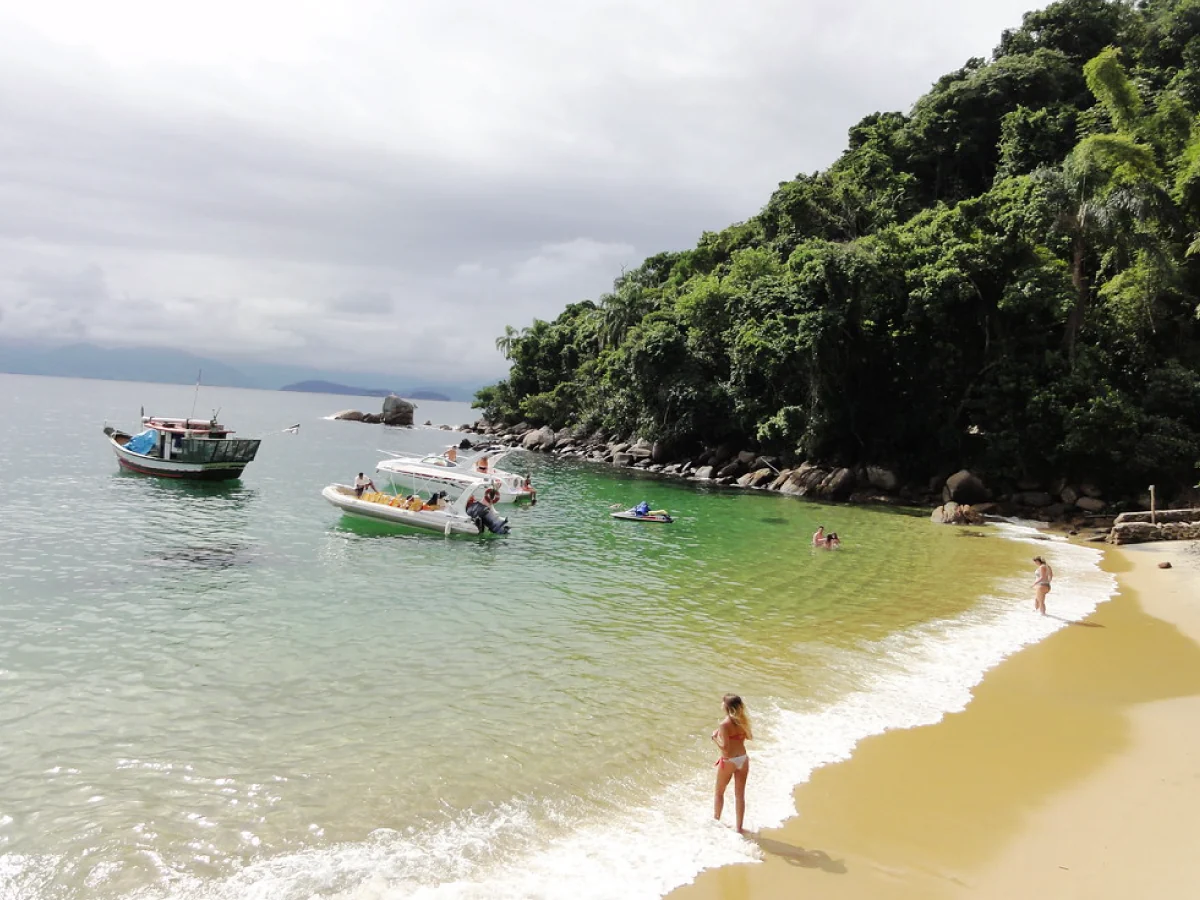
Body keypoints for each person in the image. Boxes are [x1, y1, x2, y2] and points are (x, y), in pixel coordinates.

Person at [711, 693, 752, 834]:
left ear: (726, 706)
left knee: (719, 793)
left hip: (729, 761)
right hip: (743, 759)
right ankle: (739, 828)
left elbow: (726, 749)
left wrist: (715, 738)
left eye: (723, 702)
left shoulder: (724, 724)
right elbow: (748, 737)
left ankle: (716, 821)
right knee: (740, 795)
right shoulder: (743, 721)